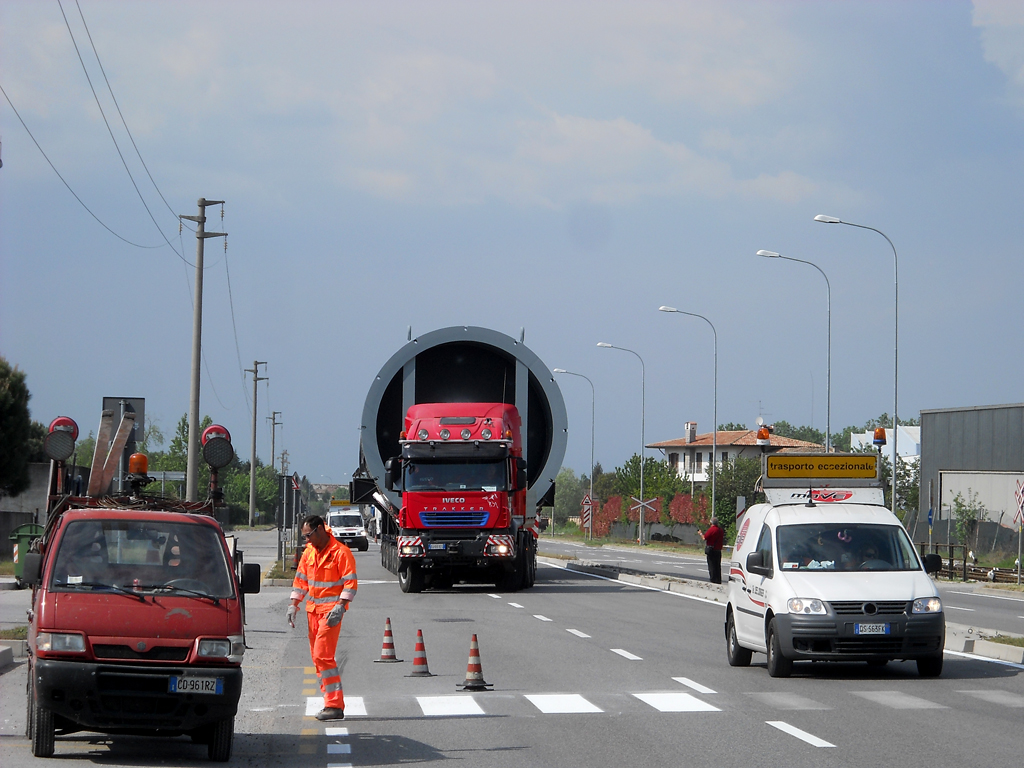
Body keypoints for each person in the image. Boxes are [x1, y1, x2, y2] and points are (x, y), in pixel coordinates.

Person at [287, 515, 358, 721]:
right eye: (304, 537)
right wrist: (293, 604)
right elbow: (301, 581)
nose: (307, 540)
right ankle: (330, 703)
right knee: (318, 659)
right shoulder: (309, 553)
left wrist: (341, 607)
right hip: (313, 612)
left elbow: (350, 584)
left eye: (309, 535)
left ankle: (334, 705)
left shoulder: (340, 553)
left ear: (320, 529)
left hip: (330, 613)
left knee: (322, 656)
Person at [699, 517, 725, 584]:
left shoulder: (711, 529)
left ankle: (713, 579)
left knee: (711, 565)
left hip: (711, 550)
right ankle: (718, 579)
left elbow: (705, 538)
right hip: (718, 550)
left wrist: (701, 533)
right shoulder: (720, 530)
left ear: (711, 523)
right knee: (717, 565)